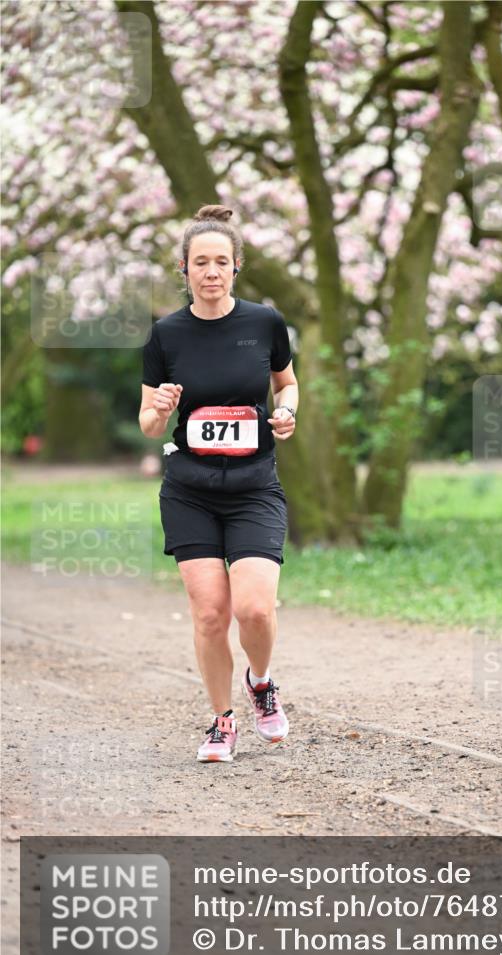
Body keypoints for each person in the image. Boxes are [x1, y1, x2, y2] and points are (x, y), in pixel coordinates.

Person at [139, 204, 298, 763]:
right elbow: (149, 422)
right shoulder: (166, 334)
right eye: (200, 262)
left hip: (254, 484)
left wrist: (288, 413)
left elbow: (287, 384)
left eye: (221, 262)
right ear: (184, 269)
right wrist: (159, 408)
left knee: (255, 608)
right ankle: (221, 721)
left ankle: (260, 682)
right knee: (210, 613)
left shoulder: (264, 324)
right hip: (190, 490)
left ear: (236, 268)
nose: (211, 271)